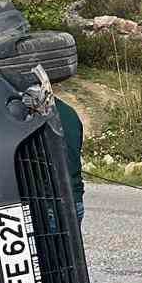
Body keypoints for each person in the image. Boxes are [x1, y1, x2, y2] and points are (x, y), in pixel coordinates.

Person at [54, 96, 84, 224]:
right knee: (73, 243)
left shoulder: (37, 115)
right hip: (75, 199)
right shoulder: (70, 113)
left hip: (51, 203)